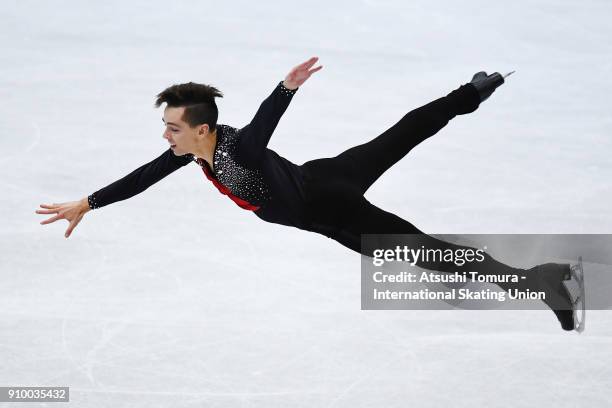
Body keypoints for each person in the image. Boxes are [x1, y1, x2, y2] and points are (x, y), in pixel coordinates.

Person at [36, 57, 579, 331]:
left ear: (202, 129)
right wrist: (89, 201)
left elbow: (262, 128)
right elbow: (143, 177)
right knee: (399, 135)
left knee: (436, 256)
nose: (165, 136)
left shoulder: (237, 150)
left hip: (333, 209)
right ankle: (473, 90)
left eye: (173, 128)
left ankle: (544, 281)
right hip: (324, 177)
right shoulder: (195, 152)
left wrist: (284, 89)